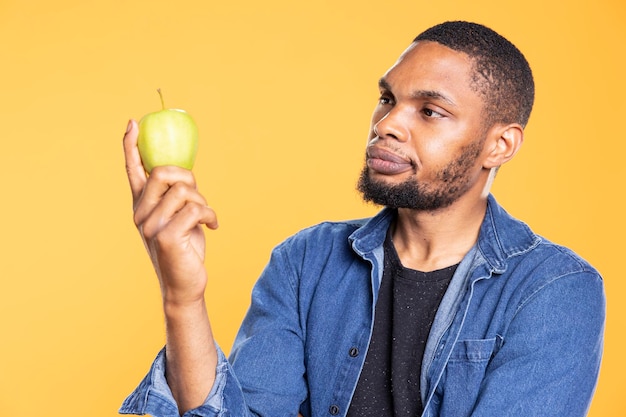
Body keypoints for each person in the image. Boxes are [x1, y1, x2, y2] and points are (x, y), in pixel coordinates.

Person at [119, 21, 605, 417]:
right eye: (388, 99)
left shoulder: (554, 290)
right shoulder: (305, 262)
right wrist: (183, 299)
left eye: (430, 111)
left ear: (499, 146)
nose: (386, 124)